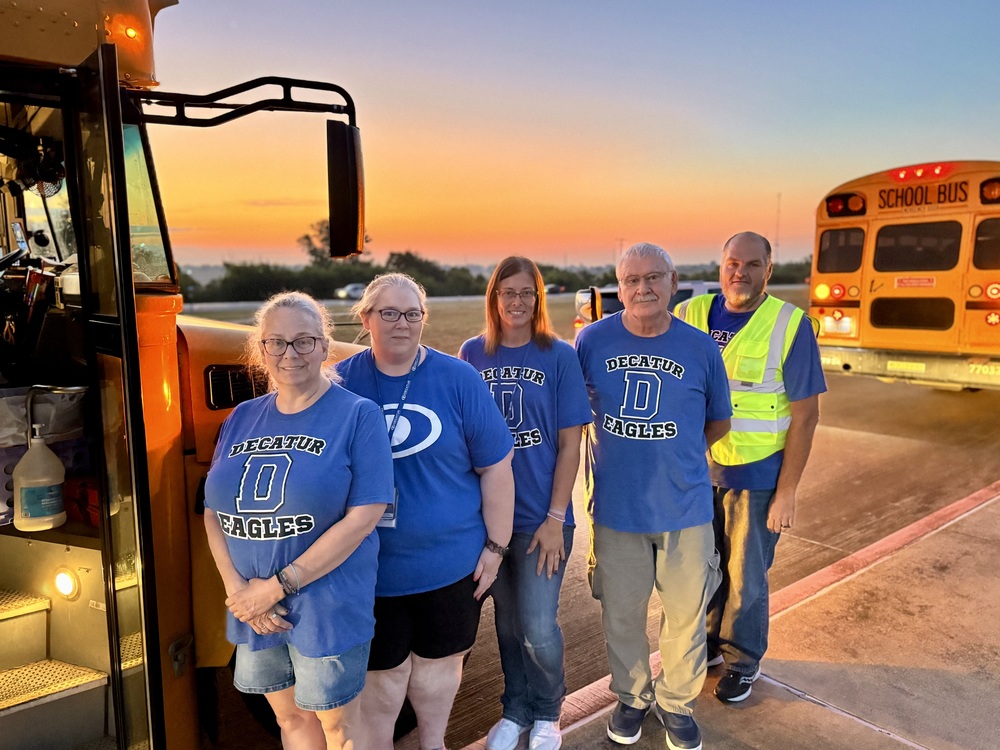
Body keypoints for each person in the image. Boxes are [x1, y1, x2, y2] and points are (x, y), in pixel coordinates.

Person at [203, 291, 394, 749]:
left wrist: (276, 587)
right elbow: (212, 512)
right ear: (261, 349)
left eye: (304, 341)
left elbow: (365, 515)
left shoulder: (357, 415)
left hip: (325, 606)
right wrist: (240, 592)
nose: (290, 353)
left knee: (339, 728)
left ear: (324, 347)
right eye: (277, 342)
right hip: (254, 607)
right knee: (289, 719)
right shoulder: (242, 417)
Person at [337, 272, 515, 750]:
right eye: (389, 313)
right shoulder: (341, 383)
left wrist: (496, 547)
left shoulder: (458, 378)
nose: (402, 323)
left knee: (438, 670)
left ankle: (433, 744)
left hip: (449, 564)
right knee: (382, 678)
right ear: (366, 319)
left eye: (412, 313)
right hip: (370, 570)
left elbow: (496, 467)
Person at [575, 243, 731, 750]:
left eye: (653, 278)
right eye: (631, 280)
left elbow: (719, 421)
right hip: (616, 509)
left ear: (673, 281)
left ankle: (676, 703)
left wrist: (677, 456)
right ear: (619, 288)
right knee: (621, 614)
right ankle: (632, 697)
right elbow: (572, 417)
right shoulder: (591, 340)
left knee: (685, 617)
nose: (643, 288)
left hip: (685, 508)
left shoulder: (700, 347)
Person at [674, 231, 826, 703]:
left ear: (768, 270)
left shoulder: (789, 324)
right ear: (721, 266)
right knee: (702, 569)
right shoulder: (690, 314)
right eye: (733, 263)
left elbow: (806, 416)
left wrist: (787, 491)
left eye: (752, 264)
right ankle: (708, 645)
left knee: (745, 576)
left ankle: (742, 661)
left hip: (757, 476)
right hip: (698, 472)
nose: (740, 272)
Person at [459, 257, 592, 750]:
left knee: (538, 627)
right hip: (490, 524)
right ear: (494, 298)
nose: (517, 302)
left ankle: (548, 712)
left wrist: (556, 518)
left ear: (538, 299)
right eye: (507, 292)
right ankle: (514, 710)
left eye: (526, 293)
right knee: (508, 626)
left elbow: (570, 444)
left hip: (541, 519)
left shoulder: (558, 355)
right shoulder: (472, 353)